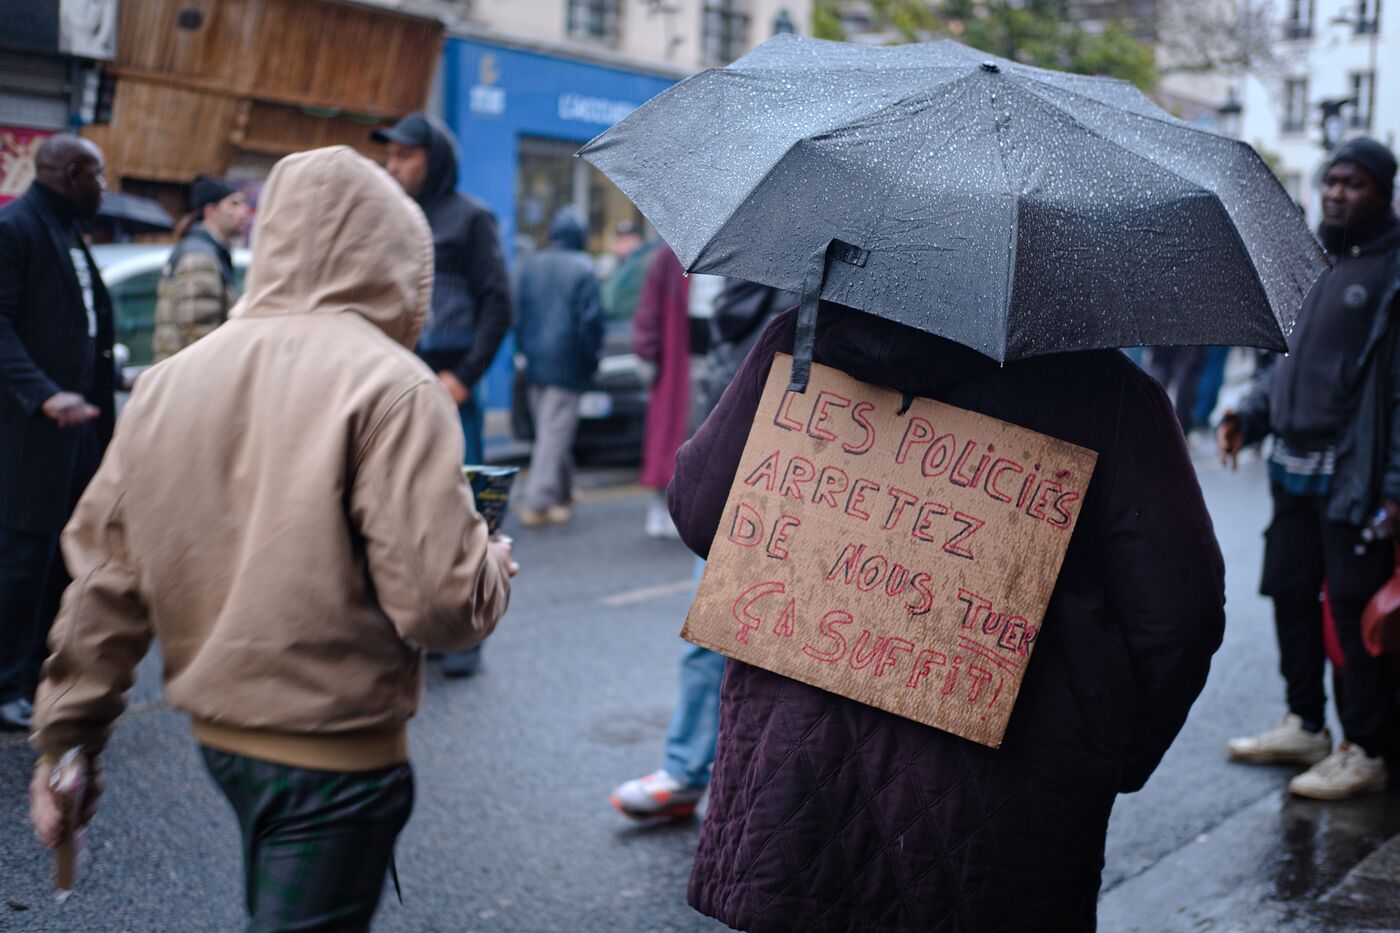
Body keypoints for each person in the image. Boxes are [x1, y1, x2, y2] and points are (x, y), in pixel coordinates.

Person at [27, 146, 517, 931]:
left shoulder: (167, 384)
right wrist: (489, 565)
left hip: (222, 740)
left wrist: (67, 743)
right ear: (396, 255)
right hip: (340, 753)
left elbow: (103, 581)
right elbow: (439, 604)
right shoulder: (394, 385)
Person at [670, 302, 1225, 930]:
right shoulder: (1107, 390)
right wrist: (1111, 753)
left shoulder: (806, 335)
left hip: (795, 784)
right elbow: (1181, 616)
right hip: (1008, 807)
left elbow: (699, 509)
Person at [1220, 136, 1400, 800]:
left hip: (1353, 474)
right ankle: (1306, 724)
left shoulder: (1392, 272)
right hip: (1291, 468)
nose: (1336, 194)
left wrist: (1393, 489)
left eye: (1353, 183)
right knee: (1290, 593)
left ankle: (1367, 748)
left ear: (1383, 193)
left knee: (1354, 612)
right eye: (1331, 182)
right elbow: (1286, 362)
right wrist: (1250, 415)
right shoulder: (1316, 262)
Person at [611, 279, 794, 820]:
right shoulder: (747, 289)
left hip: (809, 476)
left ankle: (751, 792)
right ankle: (687, 771)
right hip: (744, 476)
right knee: (707, 635)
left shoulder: (810, 293)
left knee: (791, 649)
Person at [374, 111, 512, 678]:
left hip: (452, 387)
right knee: (404, 506)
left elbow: (499, 303)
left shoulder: (470, 218)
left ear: (433, 160)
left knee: (469, 506)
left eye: (404, 156)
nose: (393, 166)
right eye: (389, 156)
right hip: (399, 385)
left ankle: (467, 632)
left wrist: (465, 376)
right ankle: (420, 620)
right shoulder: (393, 217)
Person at [0, 134, 114, 732]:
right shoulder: (15, 229)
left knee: (62, 560)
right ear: (71, 173)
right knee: (21, 564)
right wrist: (44, 394)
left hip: (78, 429)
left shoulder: (67, 231)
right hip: (30, 435)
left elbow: (75, 326)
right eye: (98, 175)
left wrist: (113, 376)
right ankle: (4, 686)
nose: (104, 186)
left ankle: (34, 676)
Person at [514, 206, 603, 527]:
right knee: (553, 434)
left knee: (551, 431)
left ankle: (563, 491)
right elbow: (590, 325)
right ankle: (537, 503)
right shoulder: (584, 268)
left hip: (534, 363)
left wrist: (523, 354)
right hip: (567, 365)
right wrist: (590, 364)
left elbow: (520, 316)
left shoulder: (531, 265)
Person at [152, 174, 248, 361]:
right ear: (210, 211)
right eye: (234, 204)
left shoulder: (207, 251)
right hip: (193, 371)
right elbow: (198, 333)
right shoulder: (200, 257)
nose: (243, 212)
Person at [634, 245, 691, 538]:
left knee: (678, 434)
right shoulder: (668, 259)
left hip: (688, 359)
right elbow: (650, 310)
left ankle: (669, 509)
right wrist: (648, 351)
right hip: (677, 360)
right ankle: (662, 508)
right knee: (670, 434)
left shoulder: (667, 258)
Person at [598, 219, 653, 322]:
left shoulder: (643, 263)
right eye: (621, 240)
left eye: (629, 239)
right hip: (614, 320)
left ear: (638, 240)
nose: (625, 244)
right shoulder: (612, 264)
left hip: (631, 320)